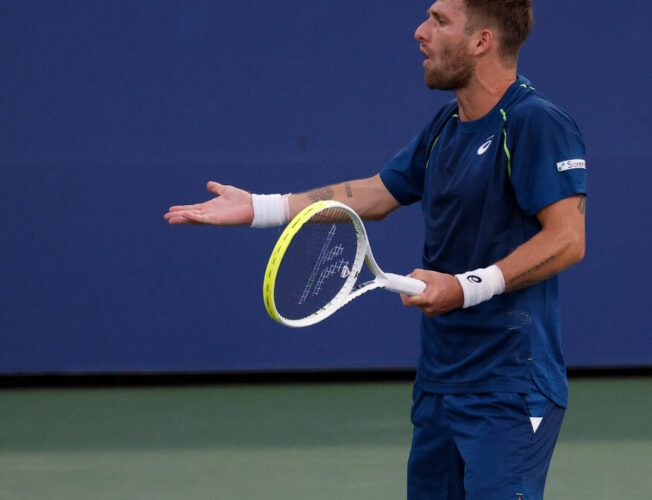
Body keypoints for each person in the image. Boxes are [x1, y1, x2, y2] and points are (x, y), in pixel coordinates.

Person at [165, 0, 586, 498]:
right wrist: (261, 207)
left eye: (439, 20)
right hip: (441, 382)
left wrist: (466, 287)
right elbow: (376, 193)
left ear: (481, 42)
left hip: (509, 388)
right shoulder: (444, 129)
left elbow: (566, 240)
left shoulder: (534, 122)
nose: (419, 32)